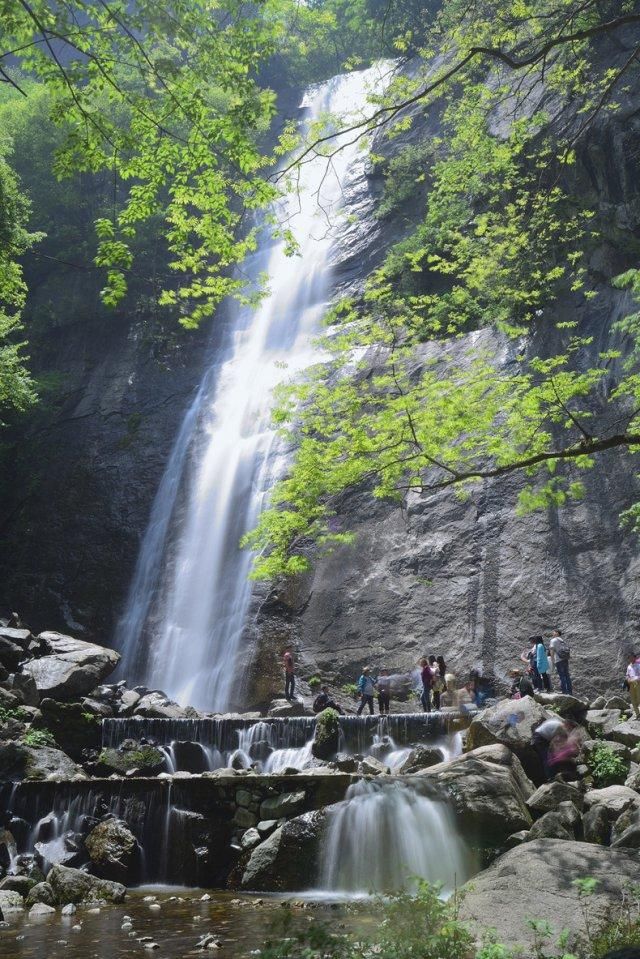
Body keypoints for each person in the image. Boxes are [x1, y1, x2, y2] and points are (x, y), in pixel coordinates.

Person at [532, 715, 565, 781]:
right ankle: (551, 778)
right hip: (540, 738)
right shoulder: (560, 727)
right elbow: (554, 741)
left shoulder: (558, 723)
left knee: (549, 757)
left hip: (540, 736)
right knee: (547, 758)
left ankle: (553, 776)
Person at [549, 629, 573, 694]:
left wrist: (552, 660)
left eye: (553, 632)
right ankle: (570, 691)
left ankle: (564, 691)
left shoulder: (553, 640)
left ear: (557, 633)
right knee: (567, 675)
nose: (552, 633)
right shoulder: (562, 640)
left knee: (562, 676)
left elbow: (551, 650)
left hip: (559, 660)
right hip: (565, 659)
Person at [626, 653, 640, 719]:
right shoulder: (629, 666)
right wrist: (627, 679)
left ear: (635, 658)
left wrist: (637, 679)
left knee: (639, 698)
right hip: (630, 683)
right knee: (633, 699)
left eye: (632, 657)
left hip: (637, 683)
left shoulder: (638, 665)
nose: (631, 659)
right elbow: (627, 675)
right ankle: (638, 714)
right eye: (629, 658)